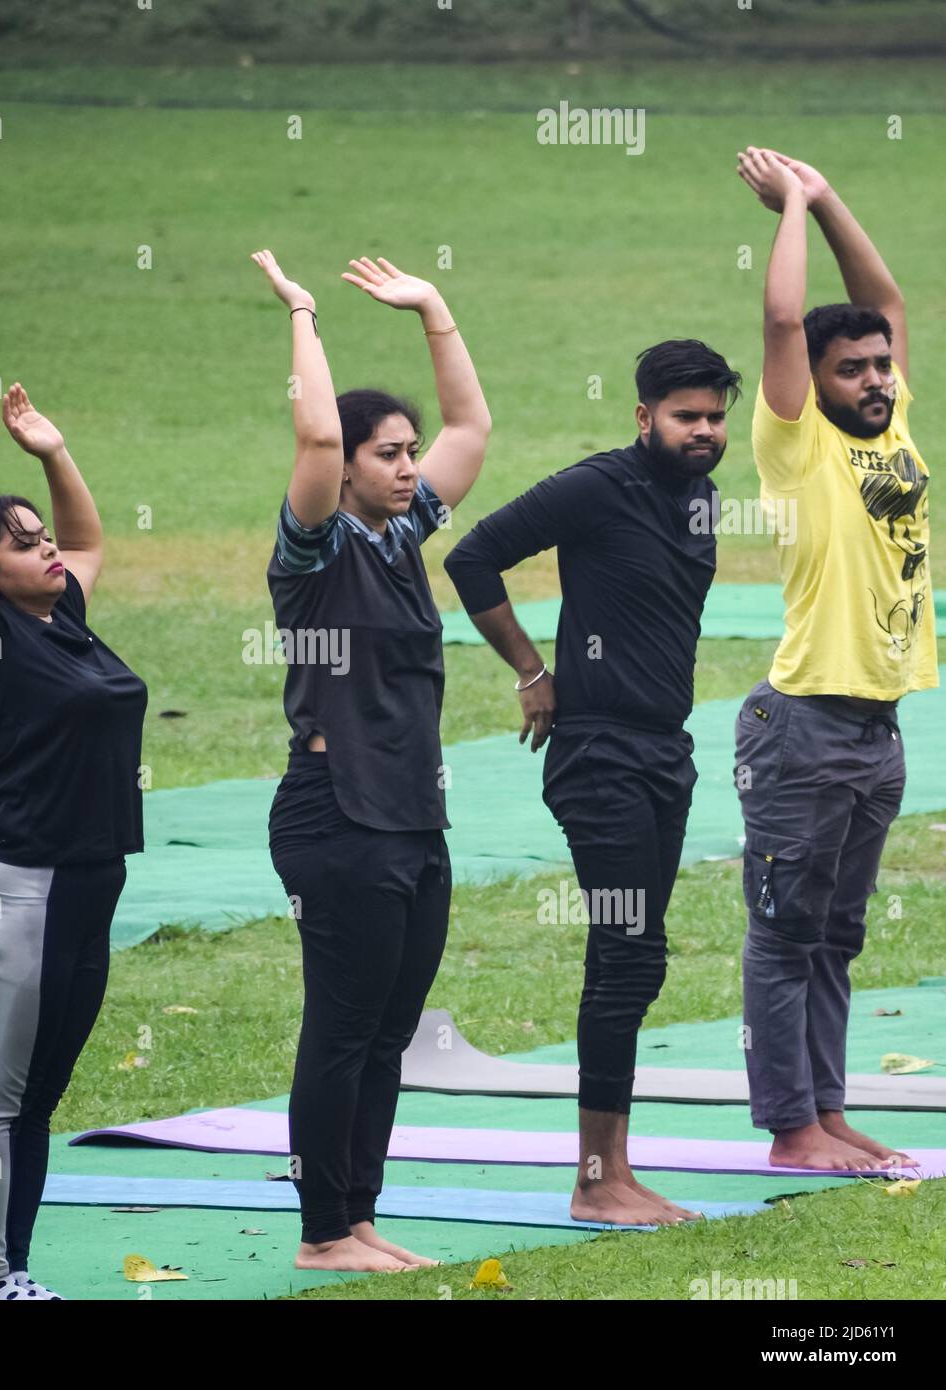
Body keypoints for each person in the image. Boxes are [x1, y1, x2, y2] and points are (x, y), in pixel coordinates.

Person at [444, 340, 741, 1225]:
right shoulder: (596, 486)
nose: (704, 431)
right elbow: (472, 557)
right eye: (686, 416)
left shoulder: (702, 498)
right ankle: (594, 1181)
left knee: (635, 960)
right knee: (625, 955)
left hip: (663, 754)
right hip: (599, 756)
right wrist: (533, 671)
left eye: (716, 417)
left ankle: (614, 1167)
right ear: (643, 416)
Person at [254, 249, 491, 1272]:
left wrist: (435, 306)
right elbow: (311, 427)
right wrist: (303, 316)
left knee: (388, 1032)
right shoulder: (314, 552)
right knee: (342, 1028)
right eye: (386, 453)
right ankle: (319, 1234)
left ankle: (357, 1218)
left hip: (411, 816)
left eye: (406, 451)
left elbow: (472, 431)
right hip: (334, 814)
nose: (407, 465)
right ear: (344, 467)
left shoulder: (401, 539)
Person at [0, 369, 148, 1300]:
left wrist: (51, 453)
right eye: (21, 545)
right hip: (28, 885)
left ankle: (14, 1273)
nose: (47, 549)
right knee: (2, 1093)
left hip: (93, 883)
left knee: (40, 1096)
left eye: (39, 537)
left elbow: (88, 537)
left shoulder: (66, 618)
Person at [732, 147, 934, 1171]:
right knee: (783, 932)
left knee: (834, 936)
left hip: (873, 725)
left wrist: (828, 195)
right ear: (809, 386)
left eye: (876, 365)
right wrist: (791, 214)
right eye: (847, 368)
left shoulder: (889, 418)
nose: (868, 378)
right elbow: (779, 323)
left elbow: (884, 298)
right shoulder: (797, 443)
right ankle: (790, 1130)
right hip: (800, 725)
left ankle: (827, 1107)